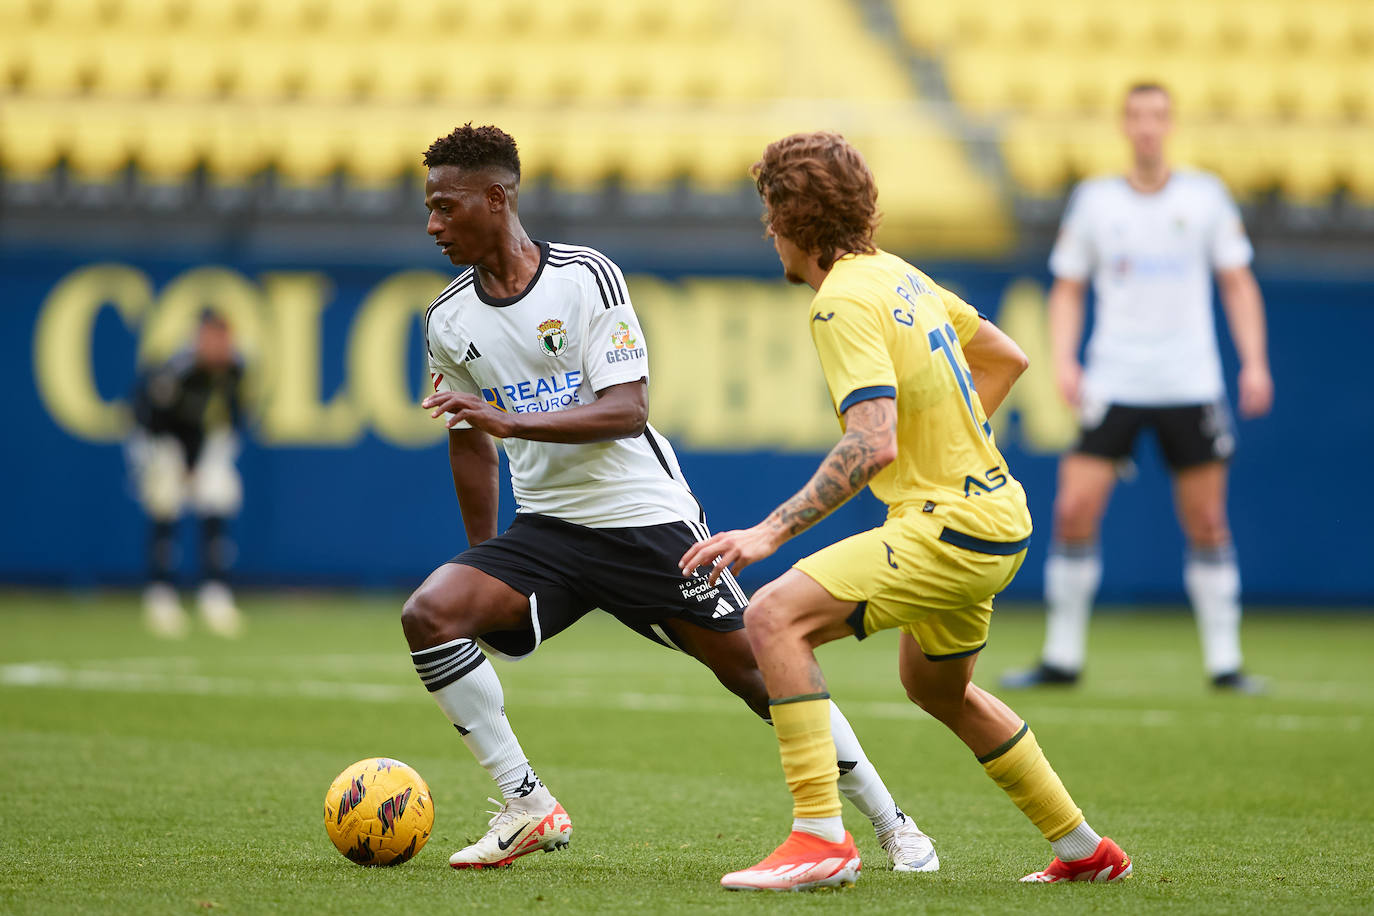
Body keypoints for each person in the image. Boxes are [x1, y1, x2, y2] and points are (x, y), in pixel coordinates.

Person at [403, 123, 938, 873]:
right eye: (427, 209)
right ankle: (527, 804)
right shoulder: (448, 319)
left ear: (497, 199)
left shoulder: (586, 278)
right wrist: (482, 555)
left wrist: (510, 419)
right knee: (430, 614)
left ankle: (893, 823)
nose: (432, 225)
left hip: (646, 521)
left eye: (445, 207)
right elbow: (469, 440)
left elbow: (627, 409)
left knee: (757, 671)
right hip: (549, 531)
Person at [681, 131, 1131, 891]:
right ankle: (1086, 848)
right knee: (936, 689)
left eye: (771, 213)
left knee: (772, 617)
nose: (768, 232)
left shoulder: (840, 302)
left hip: (951, 528)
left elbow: (870, 444)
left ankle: (821, 836)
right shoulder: (897, 275)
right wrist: (952, 448)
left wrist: (768, 532)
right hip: (998, 518)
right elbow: (1006, 357)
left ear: (795, 218)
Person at [1000, 83, 1273, 693]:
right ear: (1125, 125)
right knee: (1073, 510)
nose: (1148, 127)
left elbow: (1237, 282)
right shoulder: (1096, 202)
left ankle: (1224, 661)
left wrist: (1254, 362)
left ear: (1169, 124)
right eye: (1137, 116)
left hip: (1189, 380)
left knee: (1206, 518)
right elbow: (1067, 288)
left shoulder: (1205, 198)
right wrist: (1065, 360)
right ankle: (1062, 656)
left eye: (1158, 116)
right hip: (1115, 376)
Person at [129, 310, 246, 639]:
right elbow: (153, 418)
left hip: (202, 443)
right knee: (166, 503)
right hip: (160, 441)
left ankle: (215, 594)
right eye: (211, 338)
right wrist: (178, 464)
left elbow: (234, 413)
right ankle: (160, 595)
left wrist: (204, 458)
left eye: (223, 338)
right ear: (199, 338)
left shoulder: (234, 368)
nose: (219, 346)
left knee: (219, 496)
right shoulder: (177, 371)